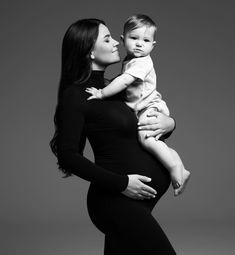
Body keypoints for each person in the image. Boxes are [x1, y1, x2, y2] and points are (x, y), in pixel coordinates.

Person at [50, 18, 177, 254]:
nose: (116, 43)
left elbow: (143, 130)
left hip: (138, 201)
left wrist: (170, 123)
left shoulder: (116, 89)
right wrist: (122, 184)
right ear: (89, 50)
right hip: (115, 201)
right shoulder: (76, 95)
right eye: (107, 39)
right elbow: (68, 155)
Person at [86, 14, 190, 196]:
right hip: (143, 107)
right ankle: (180, 166)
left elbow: (125, 81)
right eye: (134, 38)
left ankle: (174, 166)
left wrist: (101, 93)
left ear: (153, 45)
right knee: (153, 140)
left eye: (146, 40)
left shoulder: (141, 63)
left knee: (146, 137)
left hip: (150, 106)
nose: (140, 44)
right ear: (123, 39)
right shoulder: (130, 61)